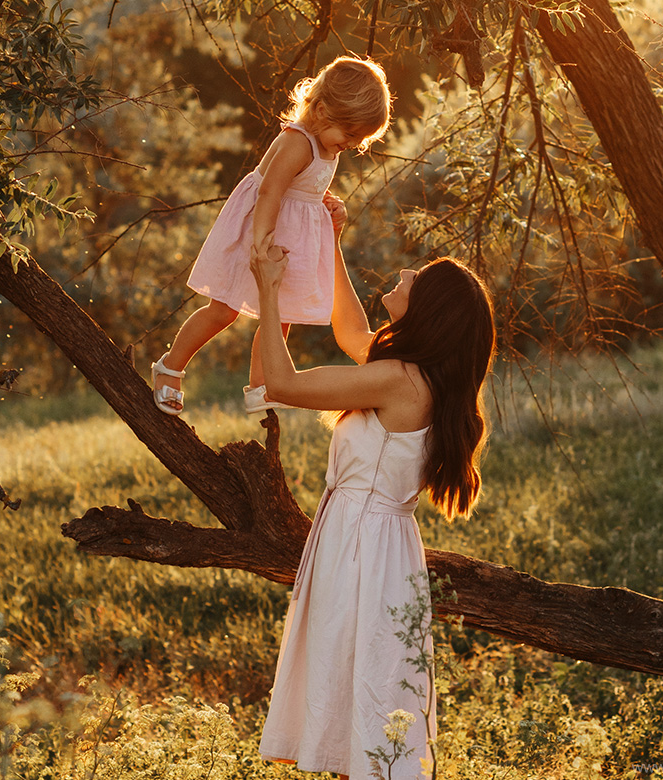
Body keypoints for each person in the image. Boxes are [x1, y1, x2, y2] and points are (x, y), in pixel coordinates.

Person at [249, 209, 497, 779]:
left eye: (418, 276)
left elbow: (280, 385)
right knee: (360, 684)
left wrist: (269, 288)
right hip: (375, 541)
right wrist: (331, 243)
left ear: (428, 308)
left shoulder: (399, 380)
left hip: (360, 542)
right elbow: (348, 331)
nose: (406, 272)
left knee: (358, 684)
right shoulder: (415, 375)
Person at [151, 55, 392, 416]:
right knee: (223, 311)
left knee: (280, 315)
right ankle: (169, 366)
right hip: (261, 231)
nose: (353, 144)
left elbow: (306, 190)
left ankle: (263, 385)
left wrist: (330, 206)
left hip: (290, 239)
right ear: (323, 110)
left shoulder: (328, 145)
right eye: (351, 134)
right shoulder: (298, 141)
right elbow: (272, 192)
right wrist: (261, 243)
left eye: (360, 139)